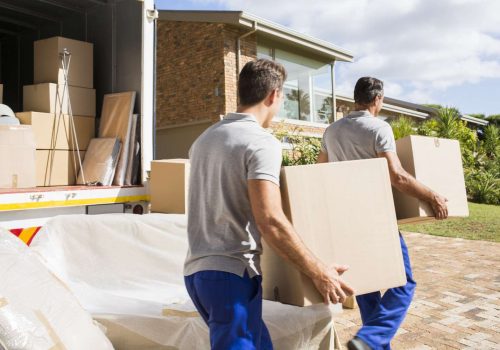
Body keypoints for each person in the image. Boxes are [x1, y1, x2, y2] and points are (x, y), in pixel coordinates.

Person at [184, 58, 354, 350]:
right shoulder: (261, 142)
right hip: (231, 277)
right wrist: (319, 271)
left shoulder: (203, 140)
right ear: (274, 95)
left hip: (198, 273)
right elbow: (270, 220)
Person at [317, 77, 448, 350]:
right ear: (377, 99)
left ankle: (371, 344)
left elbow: (320, 173)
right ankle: (370, 338)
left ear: (356, 99)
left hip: (345, 219)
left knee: (367, 286)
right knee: (404, 282)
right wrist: (432, 196)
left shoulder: (331, 131)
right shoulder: (378, 128)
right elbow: (397, 176)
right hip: (375, 218)